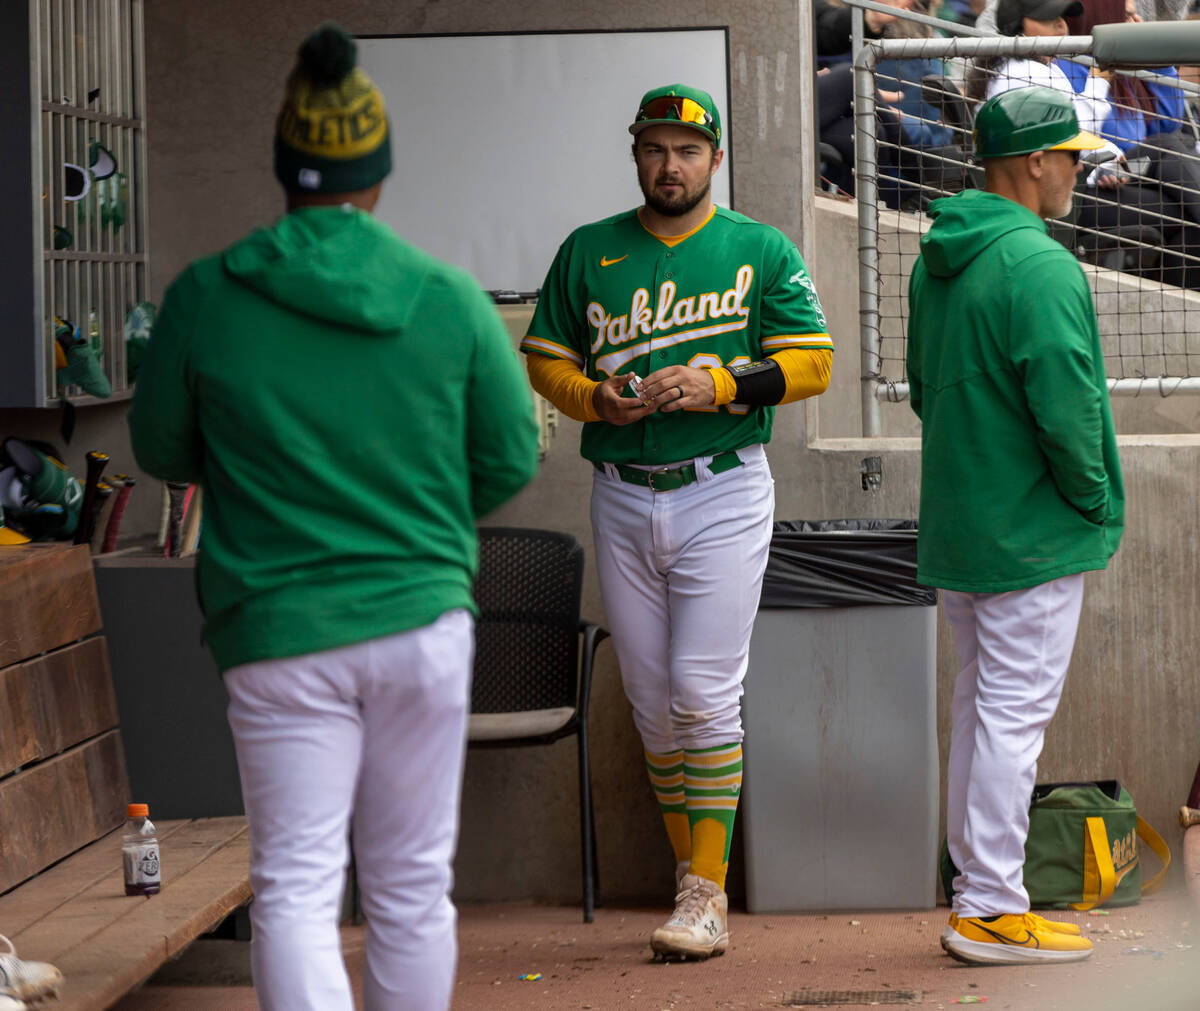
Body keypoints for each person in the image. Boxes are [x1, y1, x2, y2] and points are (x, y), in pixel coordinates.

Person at [129, 23, 539, 1011]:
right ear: (377, 174)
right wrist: (418, 515)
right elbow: (511, 458)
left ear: (283, 166)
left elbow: (162, 451)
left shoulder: (205, 300)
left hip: (278, 630)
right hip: (420, 622)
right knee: (410, 890)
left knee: (298, 892)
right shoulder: (447, 299)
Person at [521, 84, 833, 960]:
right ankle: (691, 879)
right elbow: (545, 357)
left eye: (688, 149)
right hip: (621, 488)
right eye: (656, 148)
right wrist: (594, 398)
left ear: (715, 158)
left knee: (702, 691)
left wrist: (722, 382)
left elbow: (813, 365)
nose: (671, 164)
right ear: (636, 155)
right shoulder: (590, 250)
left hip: (721, 486)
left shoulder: (756, 248)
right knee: (653, 707)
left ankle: (706, 893)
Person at [906, 86, 1124, 965]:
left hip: (964, 522)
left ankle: (978, 898)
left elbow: (923, 387)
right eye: (1068, 153)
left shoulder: (937, 257)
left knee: (980, 713)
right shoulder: (1038, 263)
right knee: (1008, 721)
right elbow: (1068, 410)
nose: (1076, 167)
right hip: (1030, 529)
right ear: (1033, 160)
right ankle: (992, 908)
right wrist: (1095, 500)